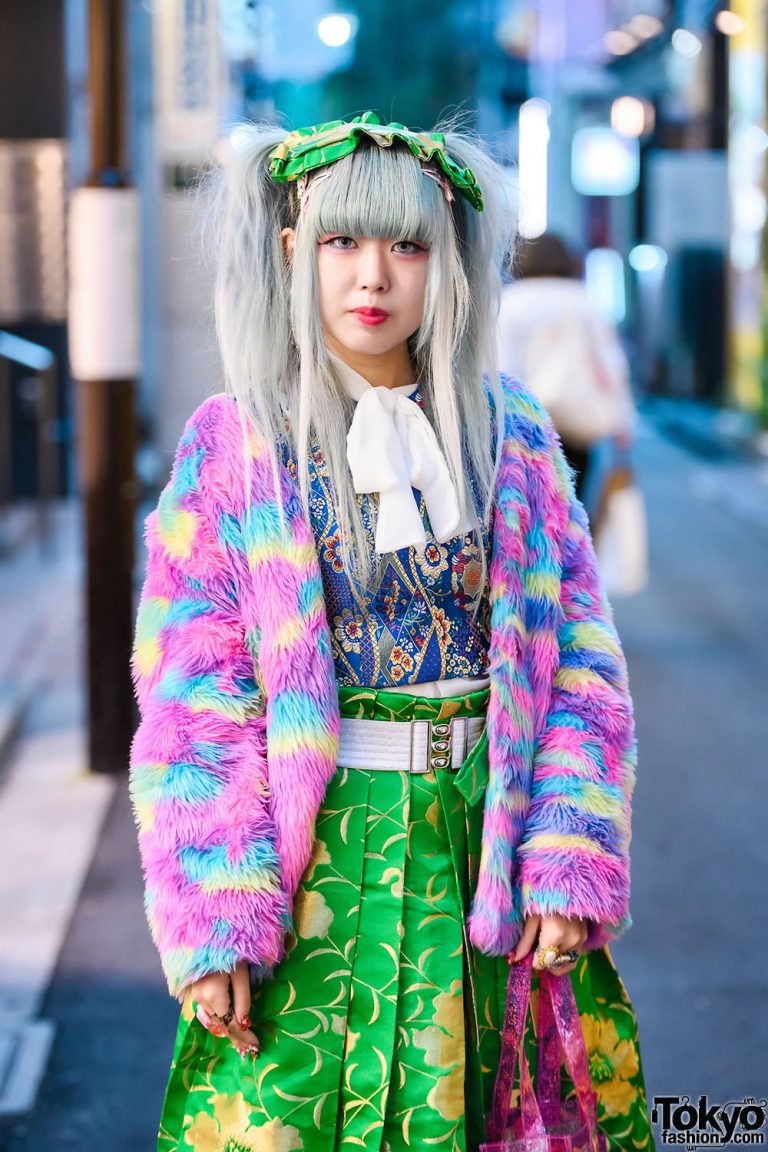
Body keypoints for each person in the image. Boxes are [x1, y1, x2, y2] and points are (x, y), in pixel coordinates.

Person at [130, 113, 653, 1152]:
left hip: (487, 853)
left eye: (407, 245)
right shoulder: (235, 445)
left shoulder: (512, 432)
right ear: (293, 250)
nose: (374, 276)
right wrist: (216, 916)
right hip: (313, 863)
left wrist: (567, 849)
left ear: (446, 260)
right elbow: (195, 699)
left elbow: (584, 664)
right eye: (342, 242)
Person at [497, 233, 637, 503]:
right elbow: (612, 362)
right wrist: (623, 419)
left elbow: (498, 365)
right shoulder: (583, 300)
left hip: (524, 423)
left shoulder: (512, 301)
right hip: (577, 420)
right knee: (571, 502)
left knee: (526, 507)